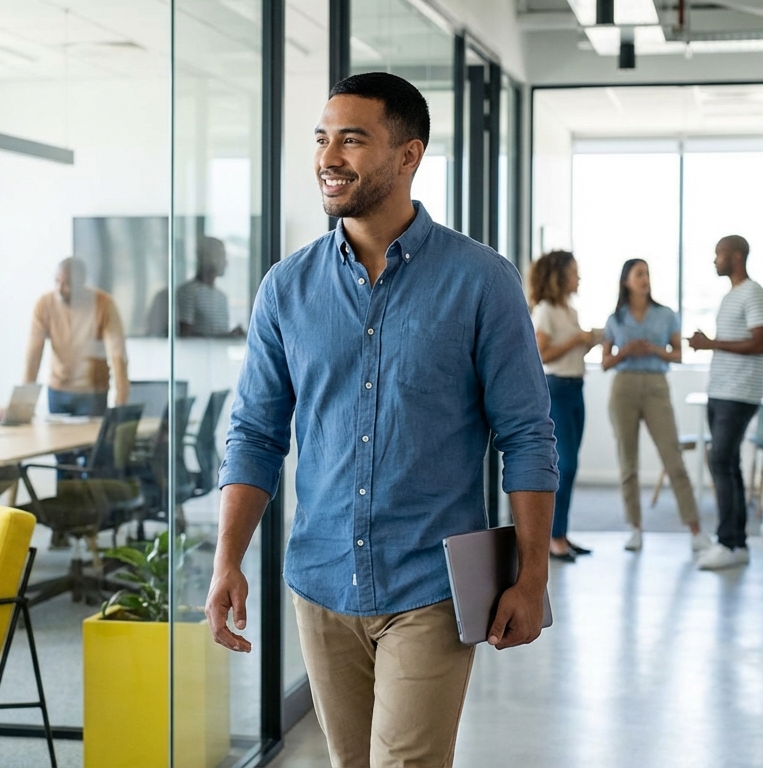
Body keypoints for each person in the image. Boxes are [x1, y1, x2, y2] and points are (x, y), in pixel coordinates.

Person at [206, 72, 558, 768]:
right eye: (322, 139)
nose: (329, 157)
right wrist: (227, 559)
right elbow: (254, 433)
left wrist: (533, 574)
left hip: (429, 584)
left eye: (352, 139)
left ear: (408, 155)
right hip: (322, 579)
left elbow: (526, 433)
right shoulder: (287, 287)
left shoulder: (480, 280)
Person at [600, 259, 709, 555]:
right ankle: (634, 528)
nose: (645, 278)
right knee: (628, 463)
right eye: (639, 274)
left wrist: (654, 350)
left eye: (647, 273)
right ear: (626, 281)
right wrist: (625, 352)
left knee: (673, 458)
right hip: (623, 388)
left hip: (656, 386)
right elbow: (605, 363)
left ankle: (696, 529)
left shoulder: (666, 315)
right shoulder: (616, 319)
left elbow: (678, 354)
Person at [688, 235, 763, 571]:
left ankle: (729, 541)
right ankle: (735, 543)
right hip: (722, 391)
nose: (714, 260)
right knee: (727, 463)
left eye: (719, 254)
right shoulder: (732, 295)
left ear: (736, 256)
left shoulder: (753, 293)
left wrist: (710, 344)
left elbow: (761, 341)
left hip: (739, 393)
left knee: (720, 460)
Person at [527, 250, 599, 562]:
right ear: (559, 276)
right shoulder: (545, 311)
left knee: (571, 469)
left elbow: (569, 353)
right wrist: (576, 340)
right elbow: (540, 354)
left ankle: (561, 535)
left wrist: (587, 342)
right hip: (556, 390)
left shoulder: (568, 310)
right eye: (574, 272)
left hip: (575, 388)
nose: (578, 277)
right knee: (564, 466)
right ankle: (552, 540)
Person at [24, 257, 130, 416]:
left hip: (93, 393)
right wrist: (24, 404)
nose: (60, 289)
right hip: (57, 391)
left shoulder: (103, 305)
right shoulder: (44, 305)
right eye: (57, 281)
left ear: (82, 282)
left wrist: (120, 405)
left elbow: (118, 356)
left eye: (67, 284)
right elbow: (33, 356)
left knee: (89, 440)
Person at [176, 236, 246, 337]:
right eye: (221, 255)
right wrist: (226, 336)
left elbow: (217, 334)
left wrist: (231, 335)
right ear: (207, 258)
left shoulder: (222, 296)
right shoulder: (188, 292)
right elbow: (185, 336)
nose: (226, 263)